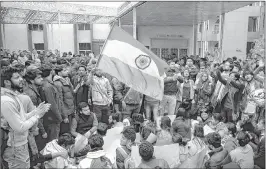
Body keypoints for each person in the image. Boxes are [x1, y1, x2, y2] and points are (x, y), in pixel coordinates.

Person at [1, 66, 50, 169]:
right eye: (17, 77)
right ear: (7, 82)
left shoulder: (13, 96)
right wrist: (37, 116)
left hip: (20, 143)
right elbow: (19, 126)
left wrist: (36, 111)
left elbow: (22, 118)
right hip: (14, 147)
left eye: (20, 77)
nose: (21, 80)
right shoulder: (6, 101)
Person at [39, 64, 62, 142]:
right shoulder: (48, 86)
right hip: (52, 118)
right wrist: (59, 117)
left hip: (50, 117)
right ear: (51, 72)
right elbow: (52, 104)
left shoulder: (45, 84)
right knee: (53, 140)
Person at [53, 64, 75, 134]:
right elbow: (60, 101)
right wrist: (64, 116)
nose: (67, 72)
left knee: (70, 130)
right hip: (65, 112)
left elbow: (71, 94)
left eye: (67, 70)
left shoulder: (67, 80)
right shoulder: (58, 83)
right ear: (59, 73)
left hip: (70, 110)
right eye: (64, 70)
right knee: (65, 132)